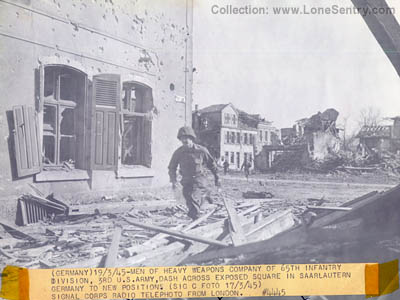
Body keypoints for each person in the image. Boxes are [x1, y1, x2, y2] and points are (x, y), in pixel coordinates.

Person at [168, 126, 220, 220]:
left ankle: (196, 222)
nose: (184, 140)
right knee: (189, 202)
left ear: (192, 138)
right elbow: (172, 167)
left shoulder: (201, 150)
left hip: (199, 180)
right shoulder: (178, 152)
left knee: (194, 199)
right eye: (182, 138)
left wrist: (217, 178)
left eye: (187, 138)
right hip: (186, 181)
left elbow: (212, 164)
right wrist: (173, 180)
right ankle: (200, 206)